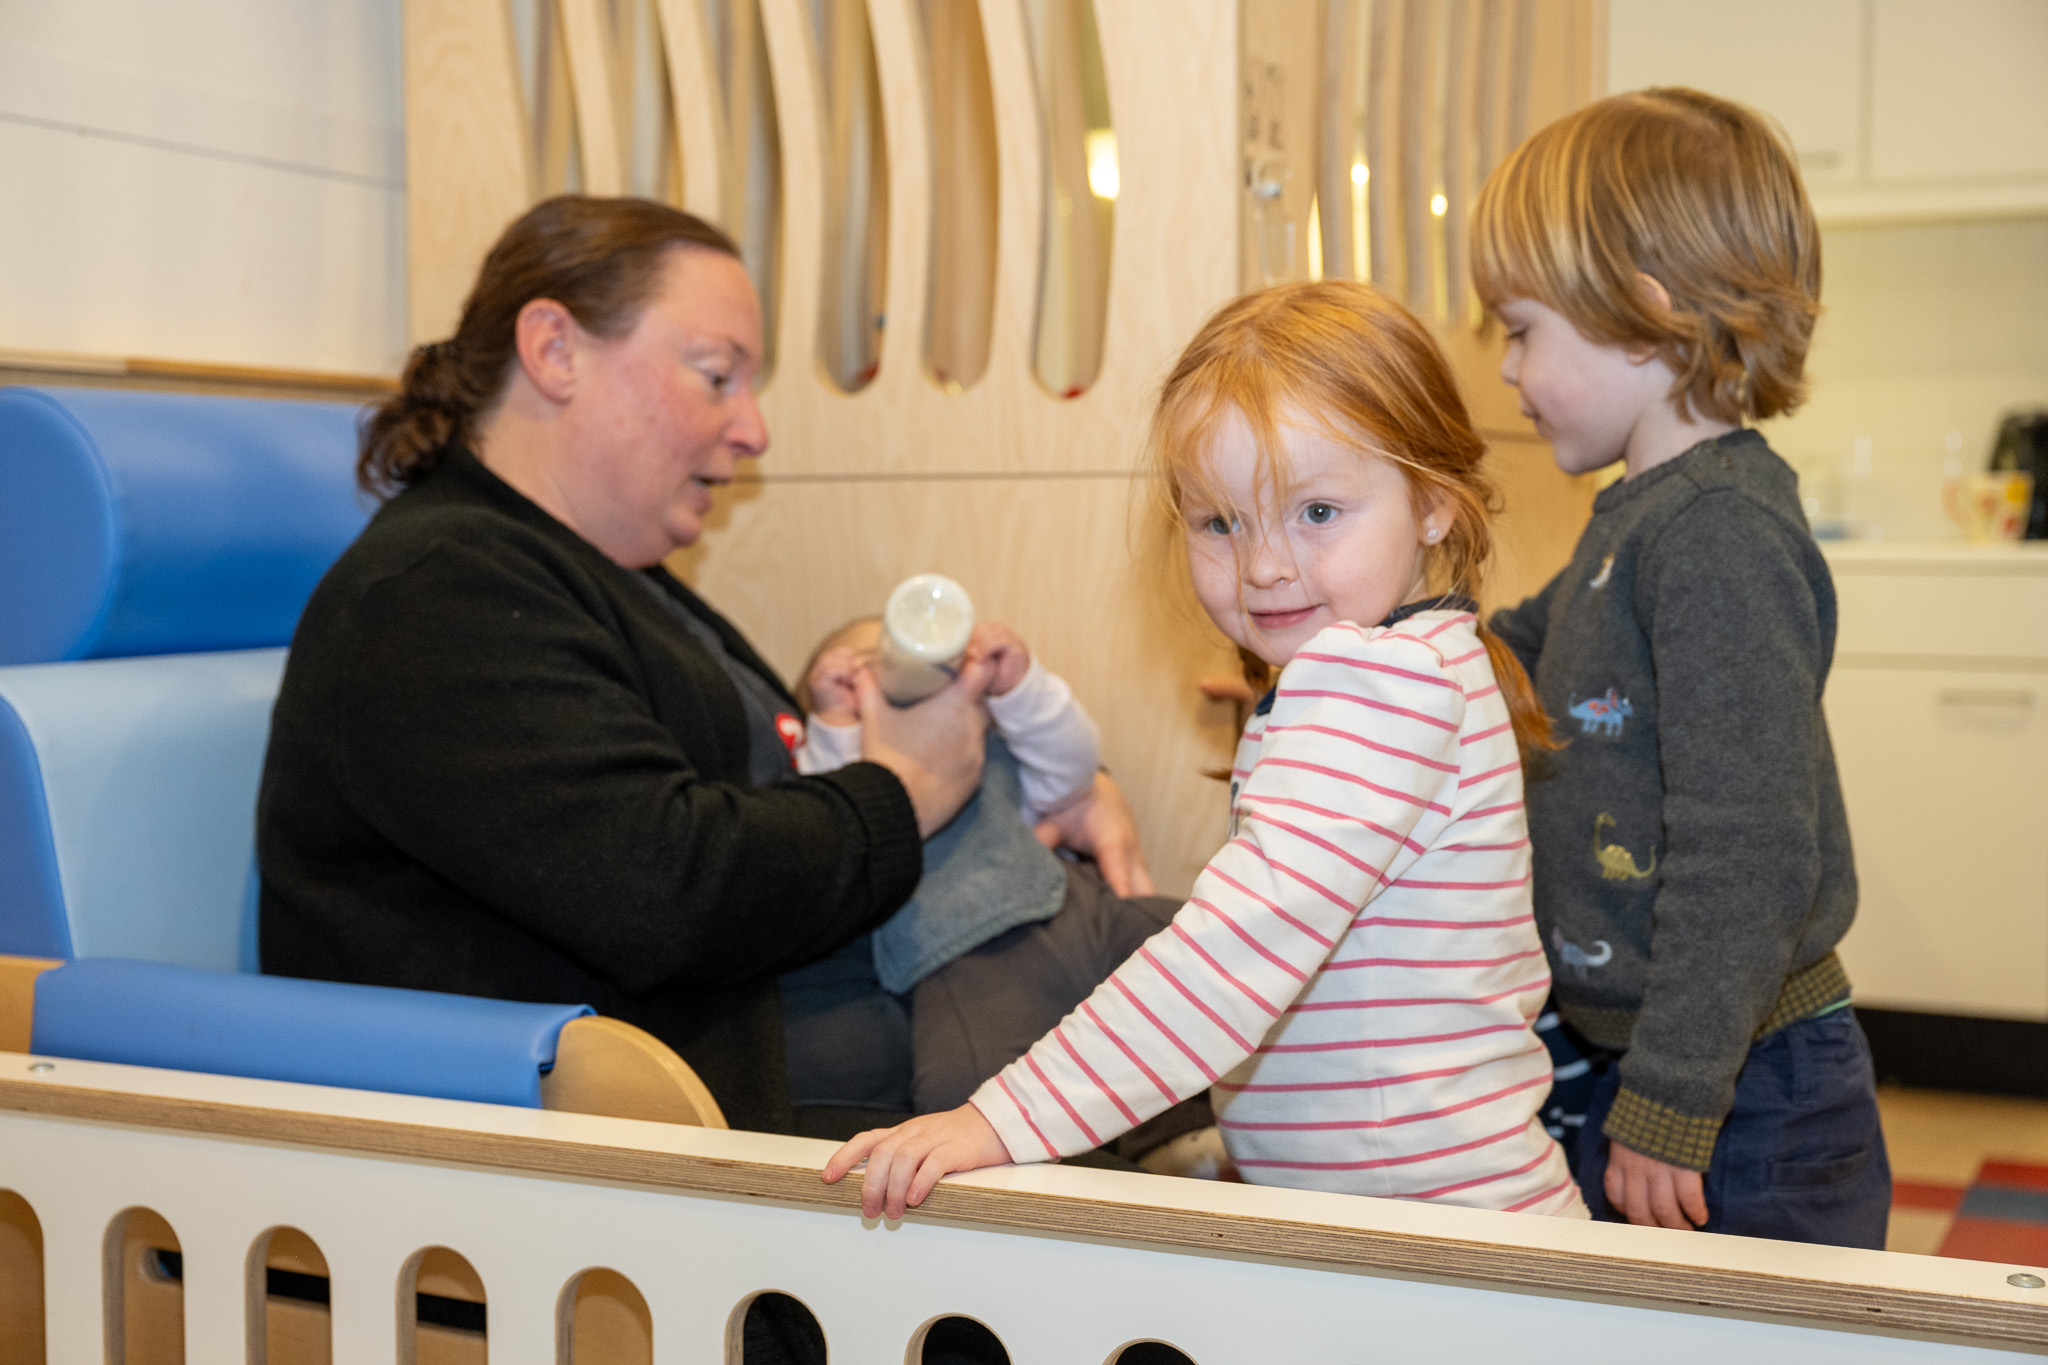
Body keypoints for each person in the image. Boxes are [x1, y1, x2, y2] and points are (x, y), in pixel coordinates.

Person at [256, 196, 1150, 1144]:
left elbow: (771, 785)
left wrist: (1042, 787)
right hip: (651, 1108)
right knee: (1213, 1008)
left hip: (773, 1025)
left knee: (1222, 985)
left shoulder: (599, 576)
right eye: (716, 375)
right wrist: (910, 786)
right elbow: (668, 889)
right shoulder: (435, 594)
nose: (754, 428)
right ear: (555, 349)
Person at [824, 280, 1587, 1221]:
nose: (1264, 565)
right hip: (1409, 1214)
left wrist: (1002, 1118)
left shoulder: (1380, 685)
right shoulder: (1424, 660)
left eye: (1316, 513)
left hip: (1431, 1239)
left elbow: (1228, 959)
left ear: (1432, 505)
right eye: (1220, 522)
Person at [1469, 89, 1890, 1246]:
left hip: (1740, 1085)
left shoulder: (1714, 536)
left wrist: (1670, 1097)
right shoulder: (1637, 515)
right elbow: (1508, 647)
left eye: (1519, 328)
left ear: (1644, 315)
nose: (1505, 368)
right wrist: (1367, 662)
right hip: (1667, 1060)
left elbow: (1749, 847)